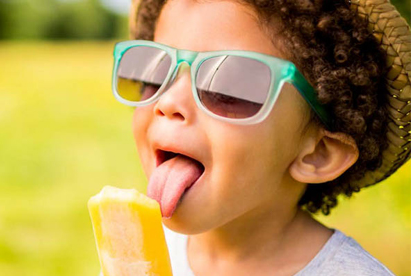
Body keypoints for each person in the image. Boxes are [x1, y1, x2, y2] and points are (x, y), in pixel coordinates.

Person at [112, 0, 411, 274]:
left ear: (318, 152)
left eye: (228, 86)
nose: (167, 103)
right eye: (154, 73)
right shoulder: (142, 251)